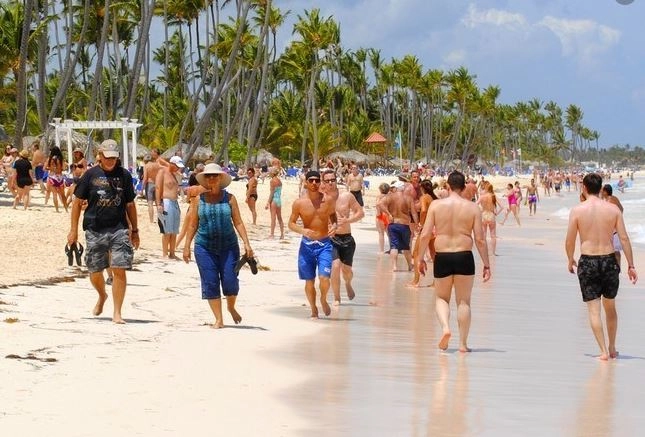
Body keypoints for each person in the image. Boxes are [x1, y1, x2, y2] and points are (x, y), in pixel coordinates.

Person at [416, 171, 491, 352]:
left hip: (442, 256)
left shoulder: (435, 205)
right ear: (464, 187)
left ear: (447, 186)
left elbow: (425, 234)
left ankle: (445, 328)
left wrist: (420, 258)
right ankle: (463, 345)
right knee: (464, 301)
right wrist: (487, 264)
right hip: (464, 256)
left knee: (442, 298)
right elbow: (480, 239)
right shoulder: (473, 208)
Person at [565, 173, 637, 360]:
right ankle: (613, 347)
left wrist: (570, 258)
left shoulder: (577, 210)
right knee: (610, 306)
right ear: (601, 188)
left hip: (588, 261)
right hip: (609, 260)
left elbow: (570, 239)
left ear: (584, 188)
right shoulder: (613, 210)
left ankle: (603, 350)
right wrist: (631, 265)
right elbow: (623, 238)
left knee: (593, 309)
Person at [67, 140, 140, 324]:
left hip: (119, 228)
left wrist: (135, 230)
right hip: (94, 228)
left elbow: (130, 204)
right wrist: (73, 230)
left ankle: (117, 313)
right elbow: (77, 203)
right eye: (107, 157)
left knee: (119, 269)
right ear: (100, 155)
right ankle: (102, 295)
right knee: (95, 270)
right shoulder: (90, 175)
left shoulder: (124, 175)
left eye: (114, 157)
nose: (110, 161)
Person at [182, 163, 254, 328]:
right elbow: (192, 225)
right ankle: (218, 319)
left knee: (230, 281)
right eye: (208, 176)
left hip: (228, 246)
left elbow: (239, 223)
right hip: (204, 247)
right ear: (205, 180)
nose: (212, 178)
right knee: (210, 281)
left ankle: (230, 306)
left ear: (221, 178)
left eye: (215, 175)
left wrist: (247, 244)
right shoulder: (198, 200)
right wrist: (186, 246)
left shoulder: (230, 199)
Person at [288, 170, 338, 318]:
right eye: (311, 181)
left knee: (324, 278)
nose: (314, 183)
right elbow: (290, 224)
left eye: (317, 180)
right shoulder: (299, 203)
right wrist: (303, 231)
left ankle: (323, 298)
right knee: (309, 282)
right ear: (306, 183)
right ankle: (313, 308)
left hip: (325, 245)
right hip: (307, 246)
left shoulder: (328, 200)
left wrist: (334, 226)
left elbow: (333, 216)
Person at [326, 171, 364, 306]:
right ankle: (337, 298)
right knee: (335, 266)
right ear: (324, 182)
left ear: (336, 180)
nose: (330, 183)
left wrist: (348, 220)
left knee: (346, 271)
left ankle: (348, 283)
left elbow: (360, 213)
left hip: (347, 239)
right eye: (327, 181)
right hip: (331, 239)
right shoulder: (322, 198)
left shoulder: (347, 196)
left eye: (332, 180)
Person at [378, 180, 417, 271]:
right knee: (406, 246)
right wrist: (416, 224)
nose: (392, 189)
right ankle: (410, 266)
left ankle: (394, 266)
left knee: (394, 246)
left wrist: (388, 214)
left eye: (393, 188)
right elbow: (414, 213)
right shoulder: (408, 198)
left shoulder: (390, 197)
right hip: (404, 224)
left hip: (393, 224)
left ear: (396, 188)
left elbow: (380, 204)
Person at [408, 179, 438, 287]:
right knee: (434, 256)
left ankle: (416, 281)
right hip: (434, 228)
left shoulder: (424, 197)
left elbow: (424, 210)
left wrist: (421, 224)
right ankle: (436, 282)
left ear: (422, 188)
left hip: (426, 227)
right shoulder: (434, 198)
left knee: (416, 254)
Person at [156, 155, 184, 259]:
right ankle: (164, 253)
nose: (178, 168)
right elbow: (158, 188)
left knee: (174, 229)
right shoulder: (162, 172)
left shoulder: (175, 174)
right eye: (177, 165)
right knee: (167, 230)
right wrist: (159, 204)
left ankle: (172, 252)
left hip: (175, 202)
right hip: (166, 202)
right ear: (172, 164)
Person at [601, 184, 625, 268]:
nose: (600, 191)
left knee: (612, 250)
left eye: (602, 190)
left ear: (605, 192)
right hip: (616, 229)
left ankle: (615, 268)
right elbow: (622, 209)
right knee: (616, 251)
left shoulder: (609, 200)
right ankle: (618, 267)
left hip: (612, 230)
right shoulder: (614, 198)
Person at [477, 181, 502, 256]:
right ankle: (493, 252)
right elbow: (502, 207)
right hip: (491, 215)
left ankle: (485, 251)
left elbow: (475, 205)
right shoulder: (493, 196)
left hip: (484, 215)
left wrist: (480, 211)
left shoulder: (482, 196)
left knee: (484, 235)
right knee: (493, 235)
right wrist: (496, 213)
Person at [45, 146, 67, 212]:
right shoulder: (61, 159)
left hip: (52, 177)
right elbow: (64, 168)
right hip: (59, 177)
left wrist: (51, 168)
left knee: (54, 194)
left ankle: (57, 209)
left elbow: (46, 167)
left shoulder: (50, 159)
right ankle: (66, 209)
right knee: (62, 194)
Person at [142, 148, 161, 223]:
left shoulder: (146, 166)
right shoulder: (157, 165)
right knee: (158, 203)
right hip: (157, 184)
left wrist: (142, 188)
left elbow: (145, 178)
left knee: (150, 204)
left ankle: (151, 220)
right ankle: (160, 220)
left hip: (149, 184)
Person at [266, 167, 284, 239]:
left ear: (272, 173)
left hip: (274, 200)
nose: (269, 173)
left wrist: (268, 202)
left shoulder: (272, 181)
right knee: (279, 217)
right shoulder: (279, 181)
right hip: (279, 200)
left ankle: (272, 234)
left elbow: (272, 193)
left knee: (273, 218)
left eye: (270, 172)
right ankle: (282, 234)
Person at [375, 183, 391, 254]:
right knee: (389, 233)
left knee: (381, 233)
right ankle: (392, 248)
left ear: (380, 189)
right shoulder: (390, 197)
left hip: (381, 215)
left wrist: (378, 214)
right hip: (387, 215)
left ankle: (381, 250)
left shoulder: (379, 196)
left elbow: (378, 205)